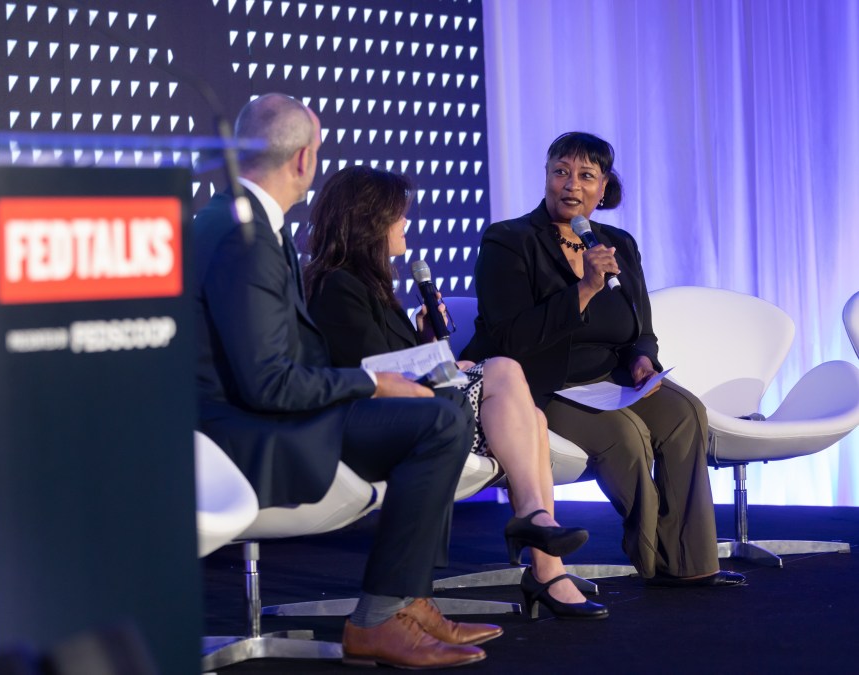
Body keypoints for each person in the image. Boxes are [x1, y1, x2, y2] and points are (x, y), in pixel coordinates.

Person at [192, 93, 501, 669]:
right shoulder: (246, 236)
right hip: (248, 435)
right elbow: (269, 387)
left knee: (440, 412)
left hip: (259, 415)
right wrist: (372, 384)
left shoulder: (242, 221)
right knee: (436, 420)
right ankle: (380, 617)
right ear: (304, 160)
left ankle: (410, 601)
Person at [303, 165, 607, 619]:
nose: (405, 224)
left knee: (536, 420)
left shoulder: (372, 285)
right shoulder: (337, 286)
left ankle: (548, 565)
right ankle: (535, 526)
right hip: (381, 423)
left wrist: (427, 342)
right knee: (502, 369)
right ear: (369, 221)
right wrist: (446, 365)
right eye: (397, 216)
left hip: (420, 409)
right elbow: (373, 374)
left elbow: (397, 362)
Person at [461, 131, 744, 588]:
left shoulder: (618, 244)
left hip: (612, 379)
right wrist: (585, 289)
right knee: (627, 437)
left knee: (686, 413)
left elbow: (641, 329)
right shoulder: (509, 241)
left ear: (603, 184)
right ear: (547, 176)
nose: (571, 185)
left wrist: (642, 361)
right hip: (542, 382)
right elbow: (509, 338)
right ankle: (655, 560)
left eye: (585, 175)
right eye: (561, 172)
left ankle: (692, 563)